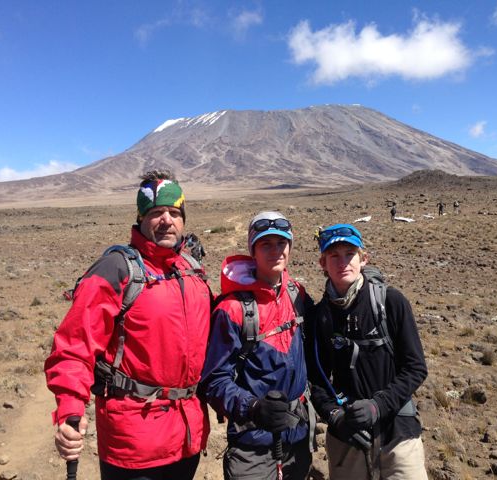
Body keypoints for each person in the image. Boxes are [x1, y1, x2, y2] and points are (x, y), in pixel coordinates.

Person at [44, 170, 211, 480]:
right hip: (134, 445)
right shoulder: (117, 269)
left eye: (174, 213)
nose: (166, 220)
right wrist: (70, 409)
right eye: (156, 212)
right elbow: (74, 347)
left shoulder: (192, 272)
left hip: (187, 437)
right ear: (140, 218)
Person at [306, 223, 428, 480]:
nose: (343, 262)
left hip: (398, 434)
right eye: (334, 256)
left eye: (350, 254)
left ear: (363, 259)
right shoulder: (319, 317)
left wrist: (377, 406)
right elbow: (316, 380)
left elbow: (415, 368)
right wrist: (335, 417)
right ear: (322, 263)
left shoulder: (391, 302)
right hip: (347, 437)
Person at [200, 211, 314, 480]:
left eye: (281, 243)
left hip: (298, 436)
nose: (275, 251)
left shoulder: (297, 295)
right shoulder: (232, 309)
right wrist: (253, 407)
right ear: (253, 251)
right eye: (266, 244)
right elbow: (213, 381)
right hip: (252, 443)